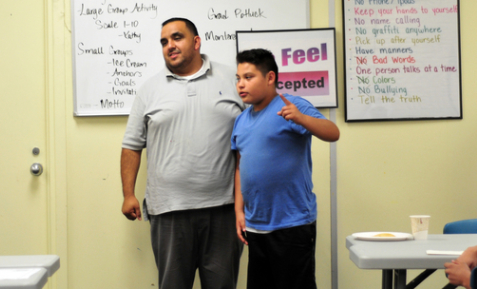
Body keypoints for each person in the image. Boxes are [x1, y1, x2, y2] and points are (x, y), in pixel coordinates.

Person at [120, 17, 244, 289]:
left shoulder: (234, 80)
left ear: (196, 42)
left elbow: (254, 136)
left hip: (223, 210)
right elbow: (132, 145)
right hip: (169, 211)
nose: (170, 46)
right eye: (164, 41)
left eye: (177, 38)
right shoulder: (149, 89)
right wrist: (128, 193)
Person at [231, 48, 340, 289]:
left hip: (292, 223)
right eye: (238, 78)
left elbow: (333, 133)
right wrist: (239, 211)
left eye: (248, 77)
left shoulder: (291, 105)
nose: (241, 84)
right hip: (256, 225)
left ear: (270, 78)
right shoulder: (241, 120)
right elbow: (241, 167)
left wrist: (302, 119)